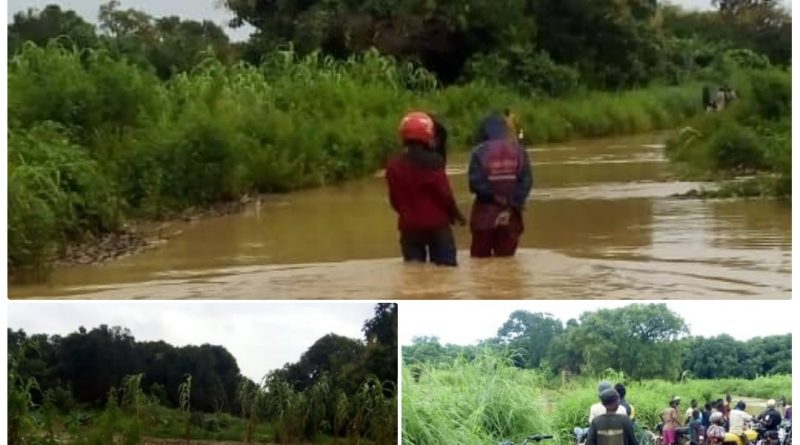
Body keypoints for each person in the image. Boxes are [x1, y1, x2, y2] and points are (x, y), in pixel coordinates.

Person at [386, 111, 466, 266]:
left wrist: (407, 212)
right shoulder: (434, 162)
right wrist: (456, 215)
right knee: (446, 272)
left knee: (414, 274)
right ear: (427, 133)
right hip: (437, 227)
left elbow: (394, 200)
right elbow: (445, 195)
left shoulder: (393, 165)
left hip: (409, 228)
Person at [468, 112, 533, 258]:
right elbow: (526, 182)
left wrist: (496, 199)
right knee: (506, 261)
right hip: (511, 215)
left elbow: (475, 184)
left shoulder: (478, 152)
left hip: (485, 215)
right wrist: (511, 204)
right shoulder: (520, 151)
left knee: (479, 261)